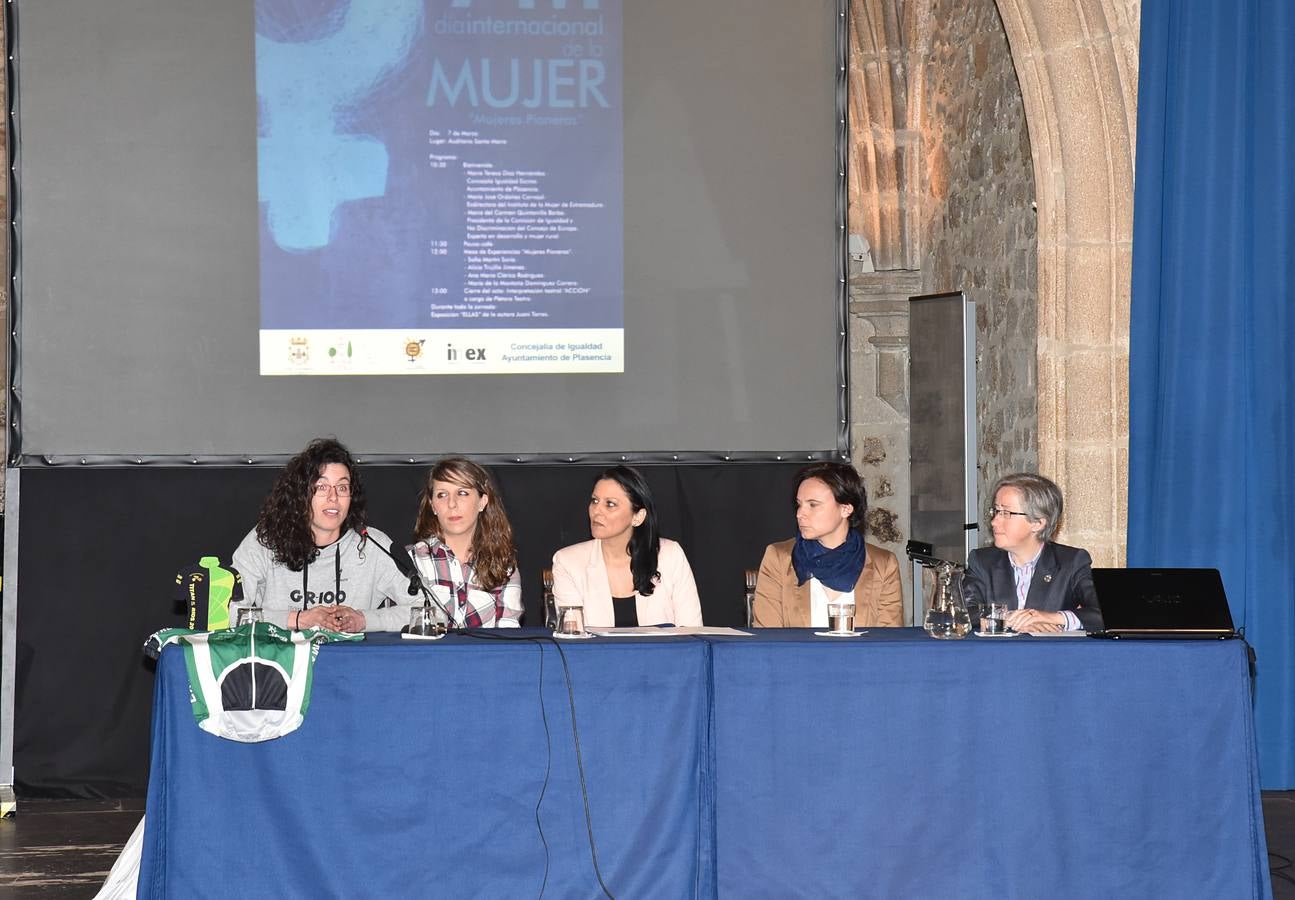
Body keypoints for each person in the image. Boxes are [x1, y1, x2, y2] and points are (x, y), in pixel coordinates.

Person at [231, 437, 414, 632]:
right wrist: (299, 619)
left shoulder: (371, 544)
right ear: (301, 494)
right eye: (322, 487)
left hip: (350, 660)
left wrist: (363, 620)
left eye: (342, 487)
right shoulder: (265, 540)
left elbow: (428, 610)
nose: (333, 497)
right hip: (280, 660)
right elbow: (231, 613)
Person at [752, 461, 903, 628]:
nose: (800, 514)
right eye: (799, 504)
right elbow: (767, 640)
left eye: (813, 505)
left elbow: (888, 642)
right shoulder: (779, 559)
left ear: (846, 509)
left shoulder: (883, 564)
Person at [551, 466, 703, 628]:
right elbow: (573, 640)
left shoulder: (670, 555)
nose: (596, 511)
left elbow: (692, 633)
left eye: (610, 504)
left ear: (638, 517)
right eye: (595, 501)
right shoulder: (568, 562)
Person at [962, 472, 1102, 633]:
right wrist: (1009, 618)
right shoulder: (982, 561)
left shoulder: (1071, 562)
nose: (994, 521)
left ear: (1038, 523)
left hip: (1050, 655)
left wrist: (1049, 617)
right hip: (995, 656)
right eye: (995, 511)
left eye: (1006, 513)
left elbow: (1103, 613)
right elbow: (961, 613)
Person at [407, 457, 523, 628]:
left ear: (482, 501)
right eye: (442, 495)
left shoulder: (503, 565)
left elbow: (509, 634)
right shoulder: (411, 561)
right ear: (432, 505)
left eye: (462, 493)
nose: (452, 504)